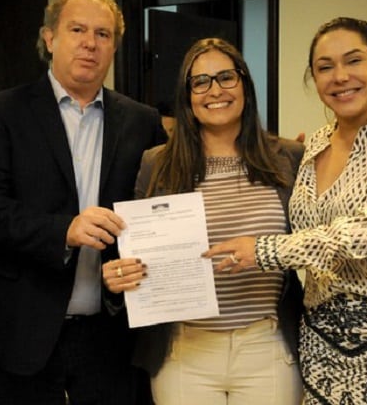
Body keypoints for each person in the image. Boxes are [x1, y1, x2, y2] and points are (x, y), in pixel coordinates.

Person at [204, 17, 367, 403]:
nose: (340, 77)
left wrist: (263, 250)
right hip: (322, 351)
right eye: (325, 67)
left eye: (354, 60)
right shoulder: (315, 145)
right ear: (314, 78)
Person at [0, 0, 167, 404]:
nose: (90, 43)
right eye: (77, 30)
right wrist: (64, 231)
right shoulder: (2, 112)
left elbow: (155, 214)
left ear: (114, 47)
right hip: (24, 331)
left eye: (102, 34)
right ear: (50, 38)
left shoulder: (142, 121)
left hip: (111, 334)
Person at [103, 37, 304, 404]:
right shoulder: (156, 163)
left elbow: (311, 244)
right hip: (184, 351)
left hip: (268, 347)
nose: (215, 91)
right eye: (200, 82)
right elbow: (136, 254)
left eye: (226, 77)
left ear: (245, 84)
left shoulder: (289, 157)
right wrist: (121, 274)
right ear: (187, 96)